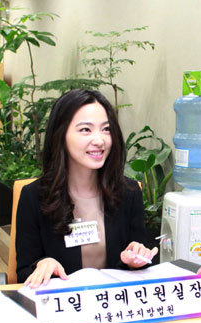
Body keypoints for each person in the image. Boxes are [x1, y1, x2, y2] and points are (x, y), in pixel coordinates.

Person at [16, 89, 158, 288]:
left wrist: (136, 260)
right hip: (64, 302)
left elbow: (142, 266)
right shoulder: (34, 196)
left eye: (106, 129)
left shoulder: (129, 192)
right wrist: (43, 264)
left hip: (114, 300)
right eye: (85, 130)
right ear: (60, 135)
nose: (99, 140)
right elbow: (23, 272)